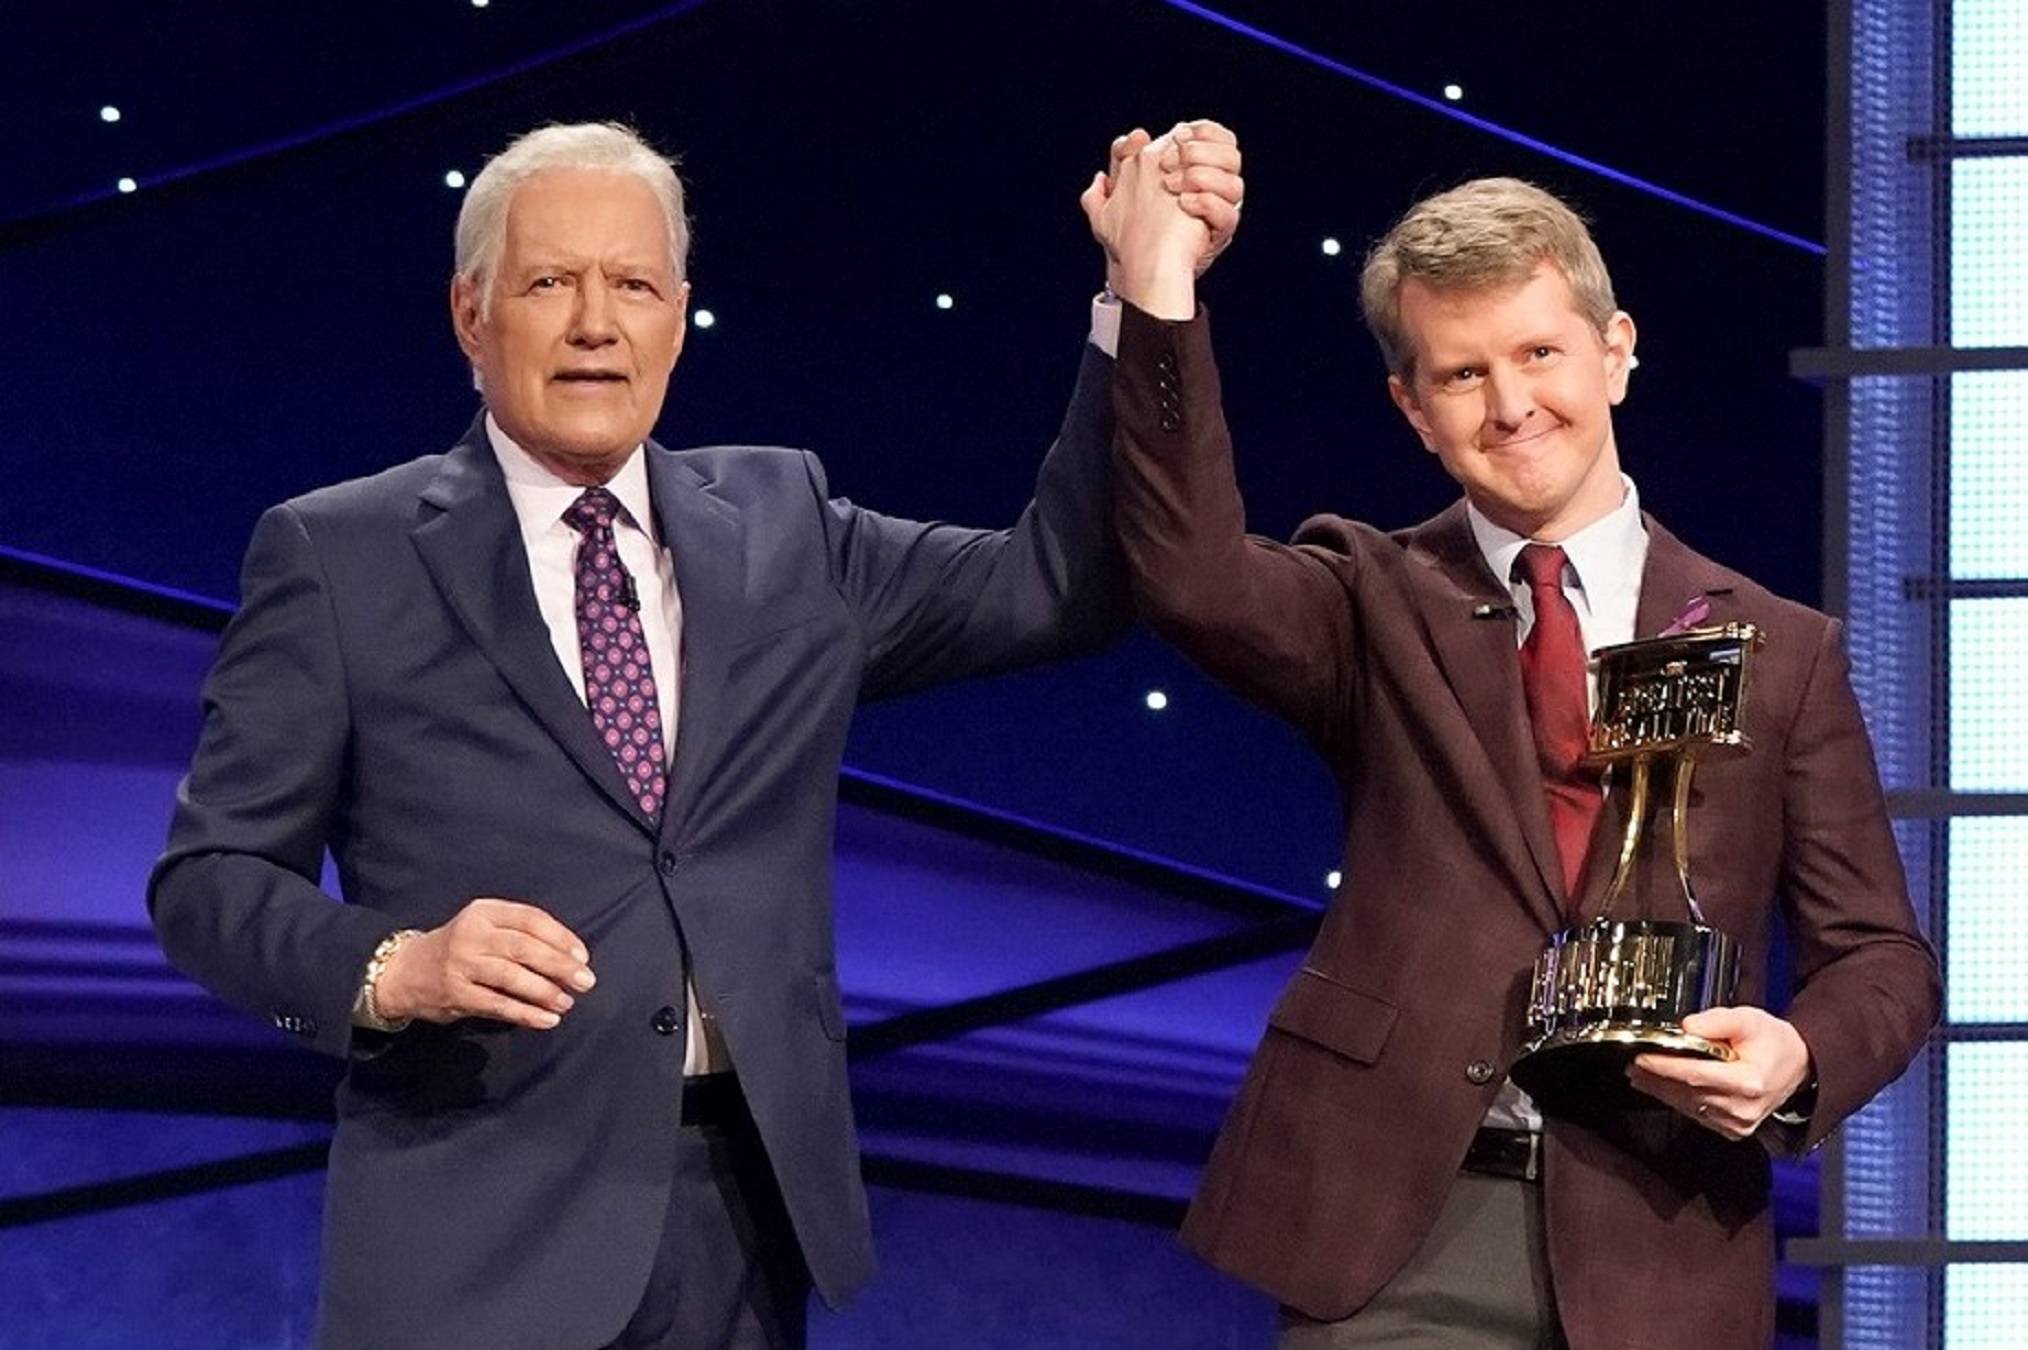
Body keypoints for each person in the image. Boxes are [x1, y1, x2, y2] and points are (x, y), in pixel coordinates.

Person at [149, 120, 1241, 1350]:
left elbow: (1061, 586)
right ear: (470, 314)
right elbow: (211, 879)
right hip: (474, 1235)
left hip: (742, 1223)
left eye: (632, 284)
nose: (595, 323)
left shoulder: (784, 526)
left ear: (678, 316)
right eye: (551, 282)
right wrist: (393, 967)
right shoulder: (338, 554)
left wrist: (1140, 298)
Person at [1088, 143, 1939, 1347]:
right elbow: (1185, 572)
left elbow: (1885, 960)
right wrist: (1156, 285)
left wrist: (1800, 1055)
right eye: (1462, 373)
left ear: (1618, 351)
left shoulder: (1780, 647)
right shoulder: (1369, 598)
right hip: (1394, 1232)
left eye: (1541, 353)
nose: (1511, 404)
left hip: (1657, 1238)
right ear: (1413, 410)